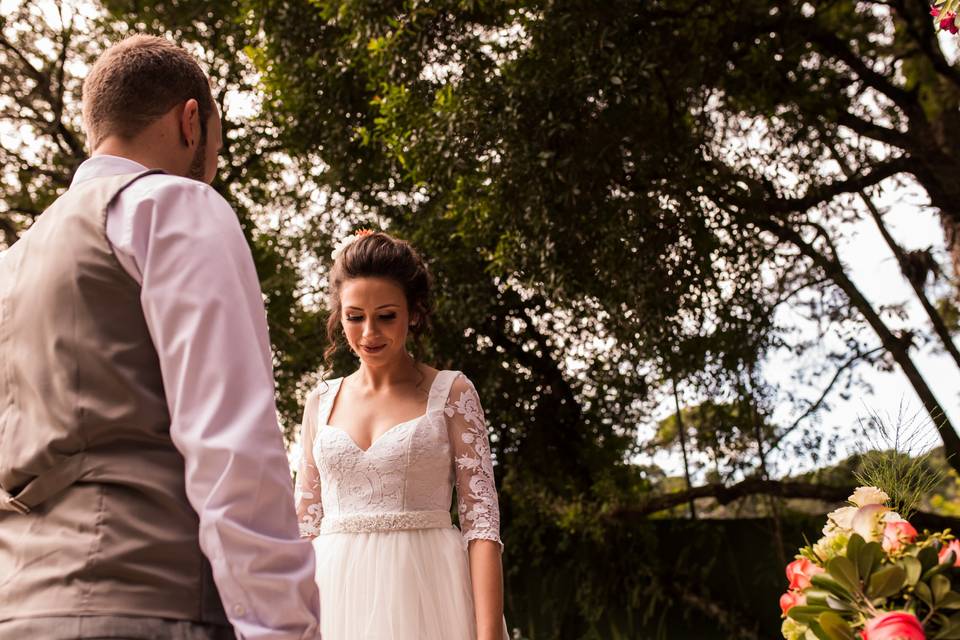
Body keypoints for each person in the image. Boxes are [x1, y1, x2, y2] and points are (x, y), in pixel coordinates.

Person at [0, 35, 320, 640]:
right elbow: (235, 453)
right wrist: (286, 628)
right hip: (152, 605)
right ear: (191, 121)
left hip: (21, 610)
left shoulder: (12, 264)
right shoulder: (172, 206)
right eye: (218, 147)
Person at [295, 230, 507, 640]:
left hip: (429, 594)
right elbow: (304, 529)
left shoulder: (453, 393)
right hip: (334, 601)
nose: (370, 332)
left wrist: (488, 636)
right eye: (355, 317)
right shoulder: (319, 402)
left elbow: (482, 526)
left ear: (414, 312)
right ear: (339, 316)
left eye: (386, 315)